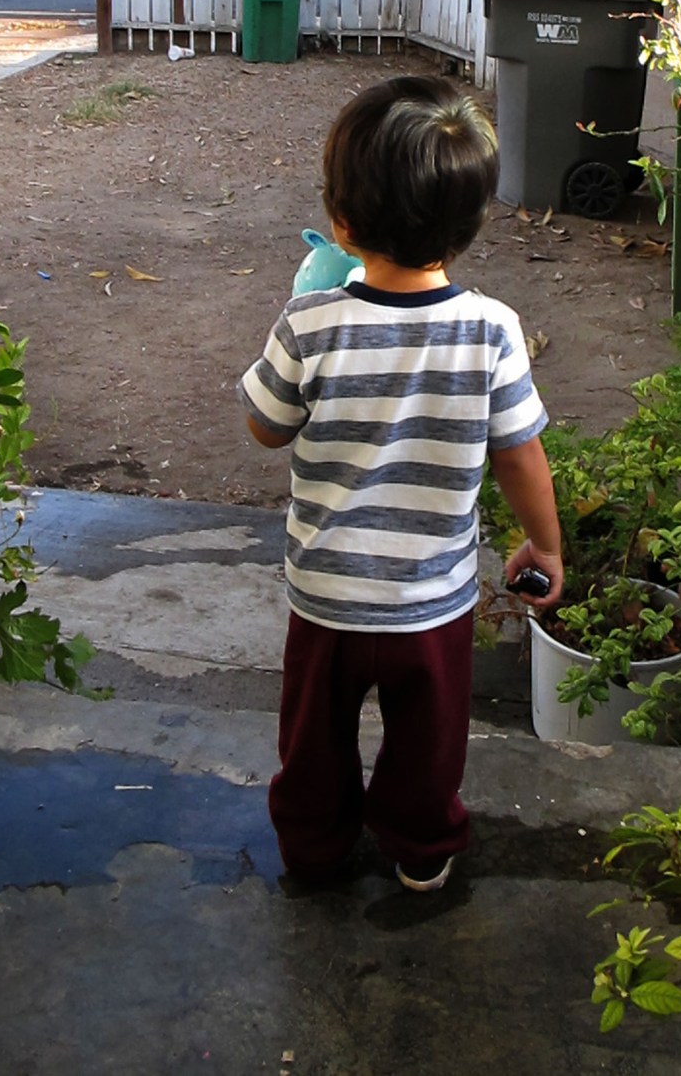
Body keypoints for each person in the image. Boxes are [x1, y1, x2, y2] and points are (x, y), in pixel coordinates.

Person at [238, 75, 563, 893]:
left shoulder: (309, 322)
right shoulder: (491, 330)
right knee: (430, 737)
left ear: (341, 224)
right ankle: (421, 847)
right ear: (469, 226)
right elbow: (520, 452)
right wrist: (546, 544)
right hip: (432, 600)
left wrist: (301, 308)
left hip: (327, 597)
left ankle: (313, 846)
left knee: (313, 736)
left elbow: (265, 426)